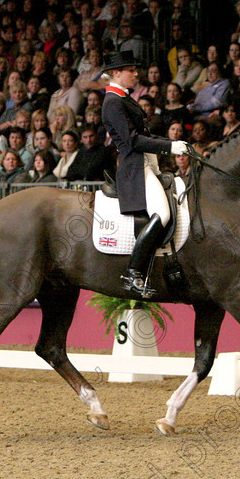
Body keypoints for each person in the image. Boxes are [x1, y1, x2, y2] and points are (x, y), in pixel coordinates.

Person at [100, 51, 188, 297]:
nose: (136, 73)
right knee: (163, 214)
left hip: (148, 163)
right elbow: (132, 140)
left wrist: (174, 141)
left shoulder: (123, 98)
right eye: (131, 70)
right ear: (116, 73)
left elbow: (145, 135)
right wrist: (170, 146)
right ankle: (134, 273)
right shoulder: (113, 102)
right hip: (134, 168)